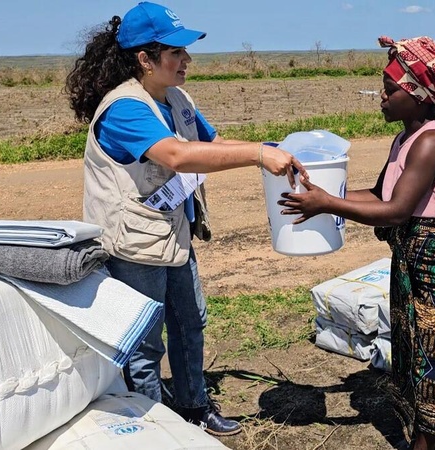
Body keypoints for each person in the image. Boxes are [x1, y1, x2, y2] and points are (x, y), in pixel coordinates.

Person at [65, 1, 304, 436]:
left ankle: (193, 405)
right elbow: (177, 155)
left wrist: (269, 145)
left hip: (172, 234)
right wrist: (256, 155)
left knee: (190, 319)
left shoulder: (177, 100)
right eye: (176, 52)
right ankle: (155, 423)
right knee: (144, 338)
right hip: (136, 245)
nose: (186, 60)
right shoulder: (124, 109)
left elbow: (210, 142)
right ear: (145, 58)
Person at [279, 36, 435, 450]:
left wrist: (328, 203)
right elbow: (380, 195)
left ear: (416, 95)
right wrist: (323, 197)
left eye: (390, 88)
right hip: (417, 270)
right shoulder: (405, 140)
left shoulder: (433, 142)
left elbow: (396, 211)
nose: (381, 95)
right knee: (415, 371)